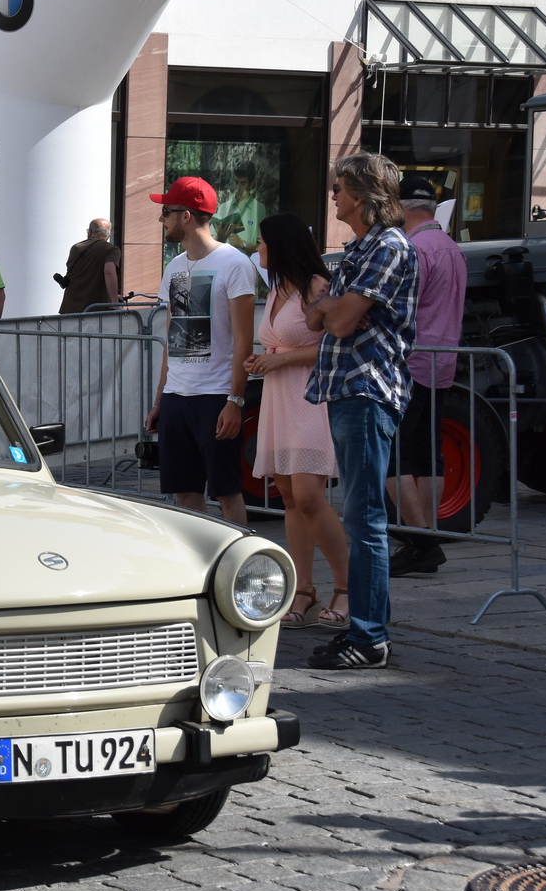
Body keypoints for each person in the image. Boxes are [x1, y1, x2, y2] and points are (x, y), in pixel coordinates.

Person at [304, 152, 419, 671]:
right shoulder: (360, 248)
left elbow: (340, 320)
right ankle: (365, 630)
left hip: (368, 391)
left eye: (339, 187)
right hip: (348, 390)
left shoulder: (388, 247)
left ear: (363, 195)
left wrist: (332, 307)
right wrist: (329, 308)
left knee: (365, 517)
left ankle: (370, 636)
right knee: (360, 514)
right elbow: (315, 316)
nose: (333, 194)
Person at [245, 214, 350, 629]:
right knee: (289, 496)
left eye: (262, 242)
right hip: (279, 396)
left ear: (281, 245)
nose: (258, 249)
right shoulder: (277, 289)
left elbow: (331, 347)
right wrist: (264, 360)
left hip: (310, 397)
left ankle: (345, 586)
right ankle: (304, 588)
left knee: (308, 494)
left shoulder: (316, 287)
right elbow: (279, 343)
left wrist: (280, 359)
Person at [144, 177, 255, 524]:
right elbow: (173, 338)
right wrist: (161, 399)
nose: (161, 220)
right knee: (185, 492)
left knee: (225, 491)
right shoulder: (175, 266)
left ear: (186, 216)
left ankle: (238, 566)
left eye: (166, 212)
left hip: (216, 396)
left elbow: (243, 342)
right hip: (179, 395)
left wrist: (235, 401)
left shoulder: (234, 264)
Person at [390, 174, 468, 577]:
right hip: (443, 361)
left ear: (403, 207)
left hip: (412, 360)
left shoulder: (414, 249)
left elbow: (401, 307)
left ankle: (420, 541)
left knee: (394, 454)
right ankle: (427, 537)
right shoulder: (451, 247)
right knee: (427, 453)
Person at [56, 218, 122, 313]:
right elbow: (109, 272)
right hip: (95, 311)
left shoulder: (76, 248)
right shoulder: (111, 249)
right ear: (108, 235)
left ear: (90, 232)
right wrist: (115, 303)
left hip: (70, 309)